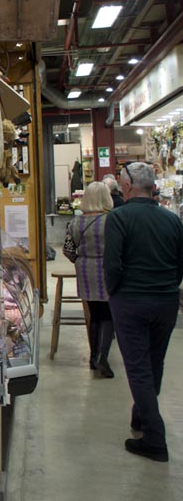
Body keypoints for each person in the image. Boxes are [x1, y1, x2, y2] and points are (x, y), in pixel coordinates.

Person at [103, 162, 183, 463]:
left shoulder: (120, 217)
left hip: (131, 300)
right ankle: (141, 414)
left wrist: (115, 292)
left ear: (126, 186)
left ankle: (155, 437)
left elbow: (112, 265)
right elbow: (179, 263)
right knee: (154, 362)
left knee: (137, 367)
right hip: (165, 300)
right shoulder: (172, 220)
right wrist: (168, 287)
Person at [64, 182, 115, 378]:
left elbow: (68, 249)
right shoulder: (111, 220)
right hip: (107, 269)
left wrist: (79, 261)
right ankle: (103, 355)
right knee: (109, 314)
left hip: (85, 270)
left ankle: (94, 357)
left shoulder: (76, 222)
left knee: (94, 314)